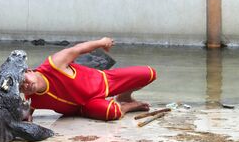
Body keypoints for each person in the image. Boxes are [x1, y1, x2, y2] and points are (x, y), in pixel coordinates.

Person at [21, 38, 157, 122]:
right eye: (21, 87)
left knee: (149, 73)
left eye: (24, 80)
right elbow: (28, 108)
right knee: (112, 112)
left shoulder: (53, 64)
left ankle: (124, 97)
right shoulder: (31, 97)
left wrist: (102, 42)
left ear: (29, 71)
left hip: (104, 80)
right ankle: (130, 106)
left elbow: (78, 49)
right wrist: (26, 116)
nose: (26, 86)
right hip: (85, 106)